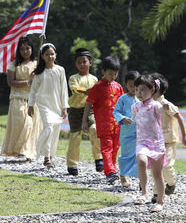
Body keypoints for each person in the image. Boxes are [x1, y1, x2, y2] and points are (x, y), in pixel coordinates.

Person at [82, 56, 124, 184]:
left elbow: (123, 104)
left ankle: (112, 168)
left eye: (115, 74)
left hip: (117, 125)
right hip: (104, 125)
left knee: (116, 147)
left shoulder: (118, 87)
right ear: (103, 72)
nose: (113, 76)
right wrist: (84, 121)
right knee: (106, 148)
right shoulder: (97, 87)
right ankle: (110, 171)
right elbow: (88, 104)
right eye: (110, 73)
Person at [132, 74, 169, 212]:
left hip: (156, 144)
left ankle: (160, 201)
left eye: (142, 90)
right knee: (141, 161)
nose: (139, 93)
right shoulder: (135, 107)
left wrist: (164, 108)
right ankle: (144, 193)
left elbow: (160, 110)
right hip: (142, 142)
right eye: (136, 90)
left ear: (152, 90)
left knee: (157, 174)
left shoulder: (155, 105)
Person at [28, 43, 69, 168]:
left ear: (55, 55)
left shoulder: (60, 70)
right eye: (47, 55)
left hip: (56, 104)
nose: (50, 56)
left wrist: (64, 106)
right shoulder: (39, 73)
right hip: (43, 104)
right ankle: (44, 156)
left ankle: (50, 156)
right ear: (42, 56)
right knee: (48, 128)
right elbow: (33, 90)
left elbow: (63, 89)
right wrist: (30, 105)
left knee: (54, 130)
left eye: (52, 54)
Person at [1, 37, 41, 161]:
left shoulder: (37, 63)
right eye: (22, 49)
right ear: (18, 50)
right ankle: (19, 150)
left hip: (33, 99)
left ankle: (26, 151)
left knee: (31, 125)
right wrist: (28, 82)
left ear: (32, 49)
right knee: (22, 123)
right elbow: (10, 82)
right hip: (17, 98)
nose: (25, 51)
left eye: (27, 48)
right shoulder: (14, 64)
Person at [151, 72, 186, 202]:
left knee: (166, 167)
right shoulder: (149, 105)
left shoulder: (166, 104)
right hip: (155, 142)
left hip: (169, 141)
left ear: (156, 89)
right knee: (156, 169)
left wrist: (184, 135)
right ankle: (156, 193)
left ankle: (171, 183)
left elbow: (179, 117)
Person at [66, 48, 103, 176]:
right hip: (76, 111)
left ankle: (99, 159)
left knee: (95, 130)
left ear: (90, 63)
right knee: (75, 137)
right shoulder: (73, 78)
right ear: (76, 64)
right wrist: (87, 91)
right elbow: (75, 89)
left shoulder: (94, 79)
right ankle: (72, 165)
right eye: (79, 62)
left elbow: (97, 94)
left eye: (84, 61)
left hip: (90, 110)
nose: (82, 64)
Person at [113, 70, 140, 188]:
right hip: (126, 133)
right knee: (126, 154)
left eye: (136, 85)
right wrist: (123, 118)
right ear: (126, 85)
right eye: (130, 85)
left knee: (141, 155)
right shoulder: (123, 98)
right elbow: (116, 111)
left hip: (141, 133)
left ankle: (141, 179)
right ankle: (123, 176)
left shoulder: (143, 98)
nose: (134, 88)